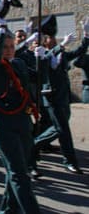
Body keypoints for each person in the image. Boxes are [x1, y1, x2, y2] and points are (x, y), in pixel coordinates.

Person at [0, 1, 41, 213]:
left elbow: (32, 85)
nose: (8, 50)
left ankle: (7, 210)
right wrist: (1, 29)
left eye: (11, 46)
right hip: (2, 124)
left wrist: (41, 58)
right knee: (19, 174)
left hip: (22, 121)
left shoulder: (20, 63)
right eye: (4, 47)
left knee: (17, 170)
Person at [34, 20, 89, 174]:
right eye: (50, 38)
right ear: (45, 42)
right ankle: (70, 161)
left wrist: (86, 35)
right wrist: (62, 45)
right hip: (51, 98)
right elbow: (45, 64)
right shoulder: (42, 54)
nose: (53, 39)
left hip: (64, 98)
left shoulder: (61, 54)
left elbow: (79, 51)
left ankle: (33, 145)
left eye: (54, 37)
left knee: (59, 129)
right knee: (63, 130)